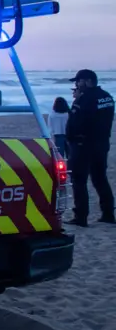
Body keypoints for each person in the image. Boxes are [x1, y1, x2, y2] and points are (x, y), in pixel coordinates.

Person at [65, 69, 114, 227]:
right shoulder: (107, 97)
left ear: (87, 81)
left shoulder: (84, 99)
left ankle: (81, 216)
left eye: (78, 81)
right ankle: (108, 213)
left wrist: (70, 139)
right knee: (100, 178)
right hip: (102, 143)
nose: (77, 85)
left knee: (79, 180)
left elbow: (75, 123)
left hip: (83, 145)